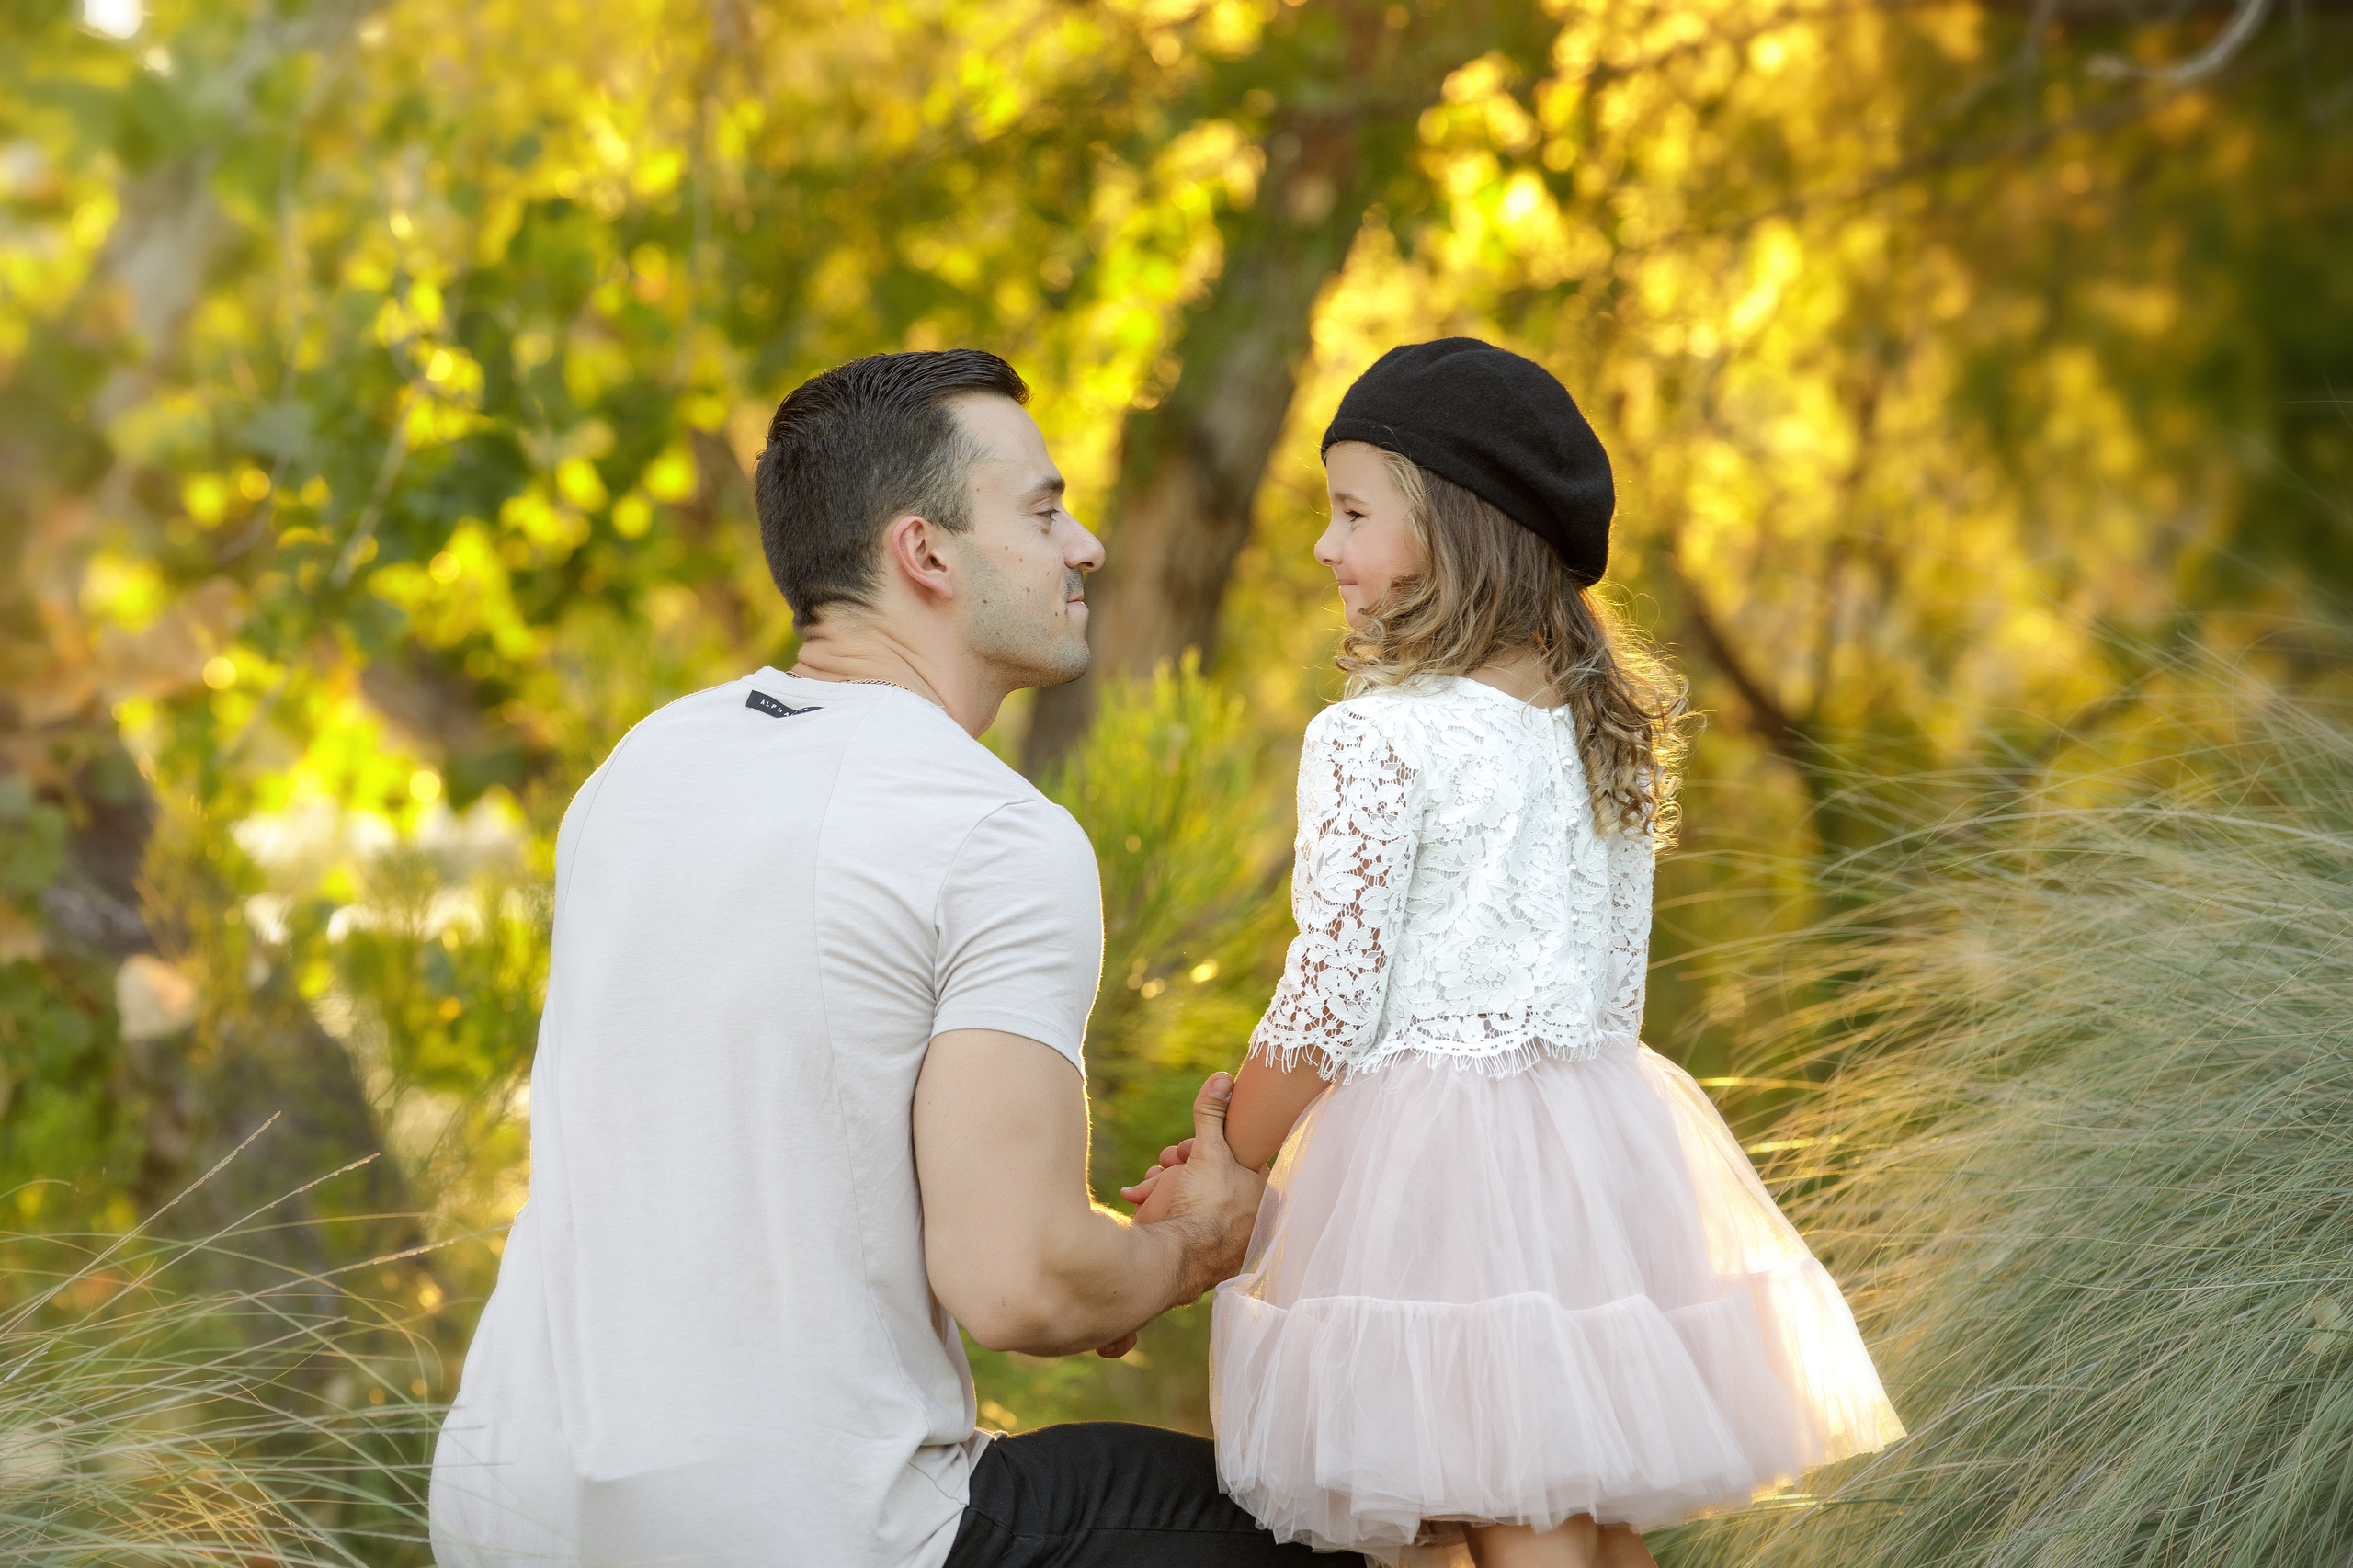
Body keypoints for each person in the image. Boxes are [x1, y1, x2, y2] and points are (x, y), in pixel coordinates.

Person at [429, 349, 1342, 1568]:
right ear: (926, 554)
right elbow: (1017, 1281)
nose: (1085, 548)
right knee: (1344, 1527)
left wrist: (1106, 1268)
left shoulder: (642, 765)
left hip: (508, 1510)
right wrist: (1195, 1247)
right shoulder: (993, 832)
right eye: (1043, 512)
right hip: (802, 1535)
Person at [1121, 340, 1905, 1568]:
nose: (1325, 546)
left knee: (1513, 1495)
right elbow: (1612, 993)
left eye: (1353, 513)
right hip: (1596, 1154)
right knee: (1578, 1503)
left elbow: (1328, 1004)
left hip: (1443, 1175)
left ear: (1450, 528)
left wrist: (1230, 1152)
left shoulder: (1376, 737)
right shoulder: (1605, 736)